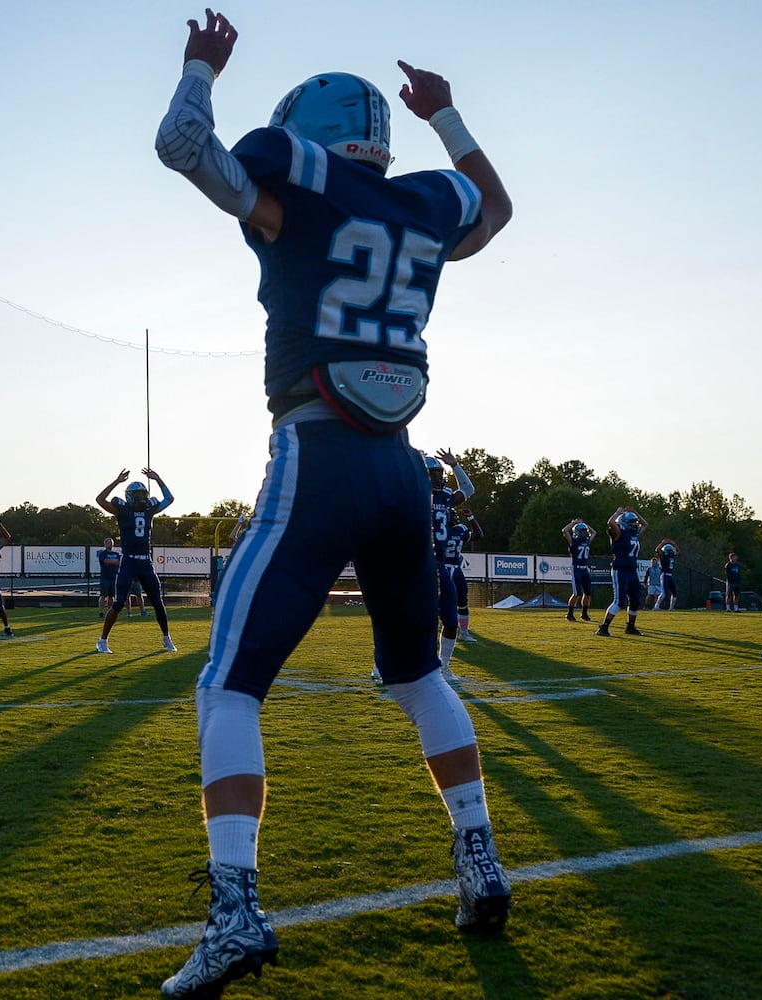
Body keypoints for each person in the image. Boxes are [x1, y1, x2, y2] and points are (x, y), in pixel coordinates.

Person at [154, 10, 516, 994]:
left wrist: (199, 66)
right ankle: (479, 859)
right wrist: (446, 116)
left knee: (226, 686)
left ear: (304, 133)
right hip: (403, 472)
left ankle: (233, 913)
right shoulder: (421, 204)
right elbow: (494, 209)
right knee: (416, 676)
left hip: (316, 451)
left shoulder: (294, 192)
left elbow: (182, 146)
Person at [94, 469, 178, 653]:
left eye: (143, 494)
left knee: (157, 601)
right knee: (118, 603)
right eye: (137, 494)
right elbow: (99, 500)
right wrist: (116, 481)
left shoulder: (149, 509)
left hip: (145, 562)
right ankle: (102, 640)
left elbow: (170, 498)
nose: (141, 497)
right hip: (129, 561)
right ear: (130, 496)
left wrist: (158, 479)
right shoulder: (121, 509)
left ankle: (166, 638)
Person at [428, 451, 475, 671]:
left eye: (439, 473)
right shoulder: (409, 494)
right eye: (433, 474)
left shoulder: (446, 496)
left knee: (449, 618)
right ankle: (382, 665)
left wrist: (455, 465)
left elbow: (468, 489)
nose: (438, 478)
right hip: (412, 562)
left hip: (438, 564)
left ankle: (443, 665)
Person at [598, 507, 646, 637]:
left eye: (634, 522)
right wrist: (618, 512)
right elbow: (611, 523)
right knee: (619, 601)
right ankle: (604, 627)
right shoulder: (619, 533)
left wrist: (636, 514)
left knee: (635, 601)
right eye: (631, 522)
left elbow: (645, 524)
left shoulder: (634, 534)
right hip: (620, 570)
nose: (634, 524)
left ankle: (630, 627)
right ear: (624, 523)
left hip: (632, 570)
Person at [445, 509, 482, 645]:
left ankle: (464, 633)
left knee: (462, 602)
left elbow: (478, 535)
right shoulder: (438, 531)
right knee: (437, 603)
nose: (455, 519)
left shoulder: (459, 530)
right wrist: (471, 518)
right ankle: (434, 634)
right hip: (443, 568)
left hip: (454, 569)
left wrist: (471, 518)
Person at [563, 519, 595, 622]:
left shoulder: (587, 540)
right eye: (582, 531)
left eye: (585, 531)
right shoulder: (573, 541)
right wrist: (574, 523)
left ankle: (584, 613)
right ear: (576, 532)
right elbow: (565, 531)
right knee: (577, 593)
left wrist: (585, 525)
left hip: (585, 569)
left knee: (588, 593)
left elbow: (594, 532)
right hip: (576, 568)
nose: (584, 533)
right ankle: (570, 614)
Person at [96, 537, 122, 616]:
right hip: (105, 577)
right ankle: (101, 611)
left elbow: (119, 563)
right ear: (105, 544)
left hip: (114, 577)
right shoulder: (102, 553)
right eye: (108, 542)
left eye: (111, 543)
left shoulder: (116, 554)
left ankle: (110, 611)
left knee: (111, 596)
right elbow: (105, 561)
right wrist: (113, 562)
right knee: (103, 595)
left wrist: (112, 562)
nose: (110, 544)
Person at [654, 540, 679, 611]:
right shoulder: (663, 556)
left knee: (674, 593)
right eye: (670, 550)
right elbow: (657, 550)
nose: (672, 552)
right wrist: (662, 543)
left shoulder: (672, 556)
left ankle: (671, 607)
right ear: (666, 551)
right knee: (664, 593)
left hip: (670, 575)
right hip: (664, 575)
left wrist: (674, 544)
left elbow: (678, 551)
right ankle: (656, 606)